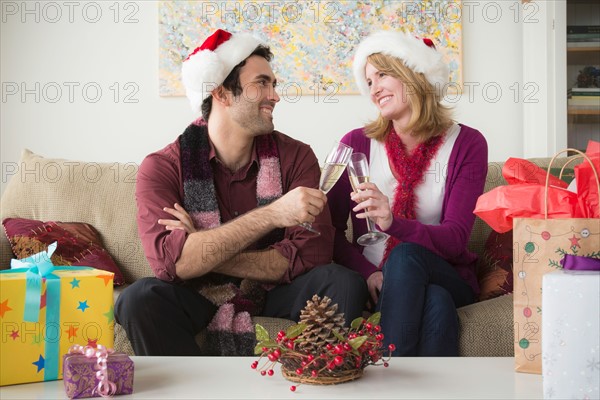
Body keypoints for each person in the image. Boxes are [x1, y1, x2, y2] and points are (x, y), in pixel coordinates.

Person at [115, 29, 367, 356]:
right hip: (200, 294)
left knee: (342, 282)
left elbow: (313, 254)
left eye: (274, 85)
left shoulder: (297, 157)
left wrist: (204, 248)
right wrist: (274, 214)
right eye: (262, 83)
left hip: (276, 292)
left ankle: (319, 383)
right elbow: (172, 266)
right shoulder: (162, 168)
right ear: (222, 93)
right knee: (139, 298)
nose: (275, 95)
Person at [327, 30, 488, 356]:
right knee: (437, 303)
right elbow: (327, 230)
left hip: (447, 272)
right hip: (381, 284)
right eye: (369, 81)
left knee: (405, 256)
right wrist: (367, 273)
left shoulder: (467, 144)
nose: (373, 89)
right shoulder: (356, 144)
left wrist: (392, 222)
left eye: (382, 74)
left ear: (415, 75)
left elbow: (456, 239)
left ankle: (385, 378)